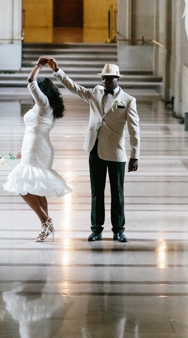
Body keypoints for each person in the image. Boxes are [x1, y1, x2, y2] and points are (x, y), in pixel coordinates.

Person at [50, 59, 139, 243]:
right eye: (103, 79)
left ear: (117, 79)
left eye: (108, 79)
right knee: (97, 192)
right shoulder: (96, 92)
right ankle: (96, 229)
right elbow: (75, 88)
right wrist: (59, 71)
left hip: (116, 153)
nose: (104, 82)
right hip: (95, 149)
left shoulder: (128, 100)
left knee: (117, 194)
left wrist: (134, 156)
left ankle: (118, 230)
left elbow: (134, 130)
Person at [3, 57, 71, 242]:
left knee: (22, 186)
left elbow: (30, 82)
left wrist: (39, 65)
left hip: (37, 147)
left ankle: (46, 221)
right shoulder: (46, 106)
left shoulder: (43, 104)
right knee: (37, 187)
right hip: (35, 146)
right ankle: (46, 226)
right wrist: (22, 149)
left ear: (43, 91)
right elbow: (34, 129)